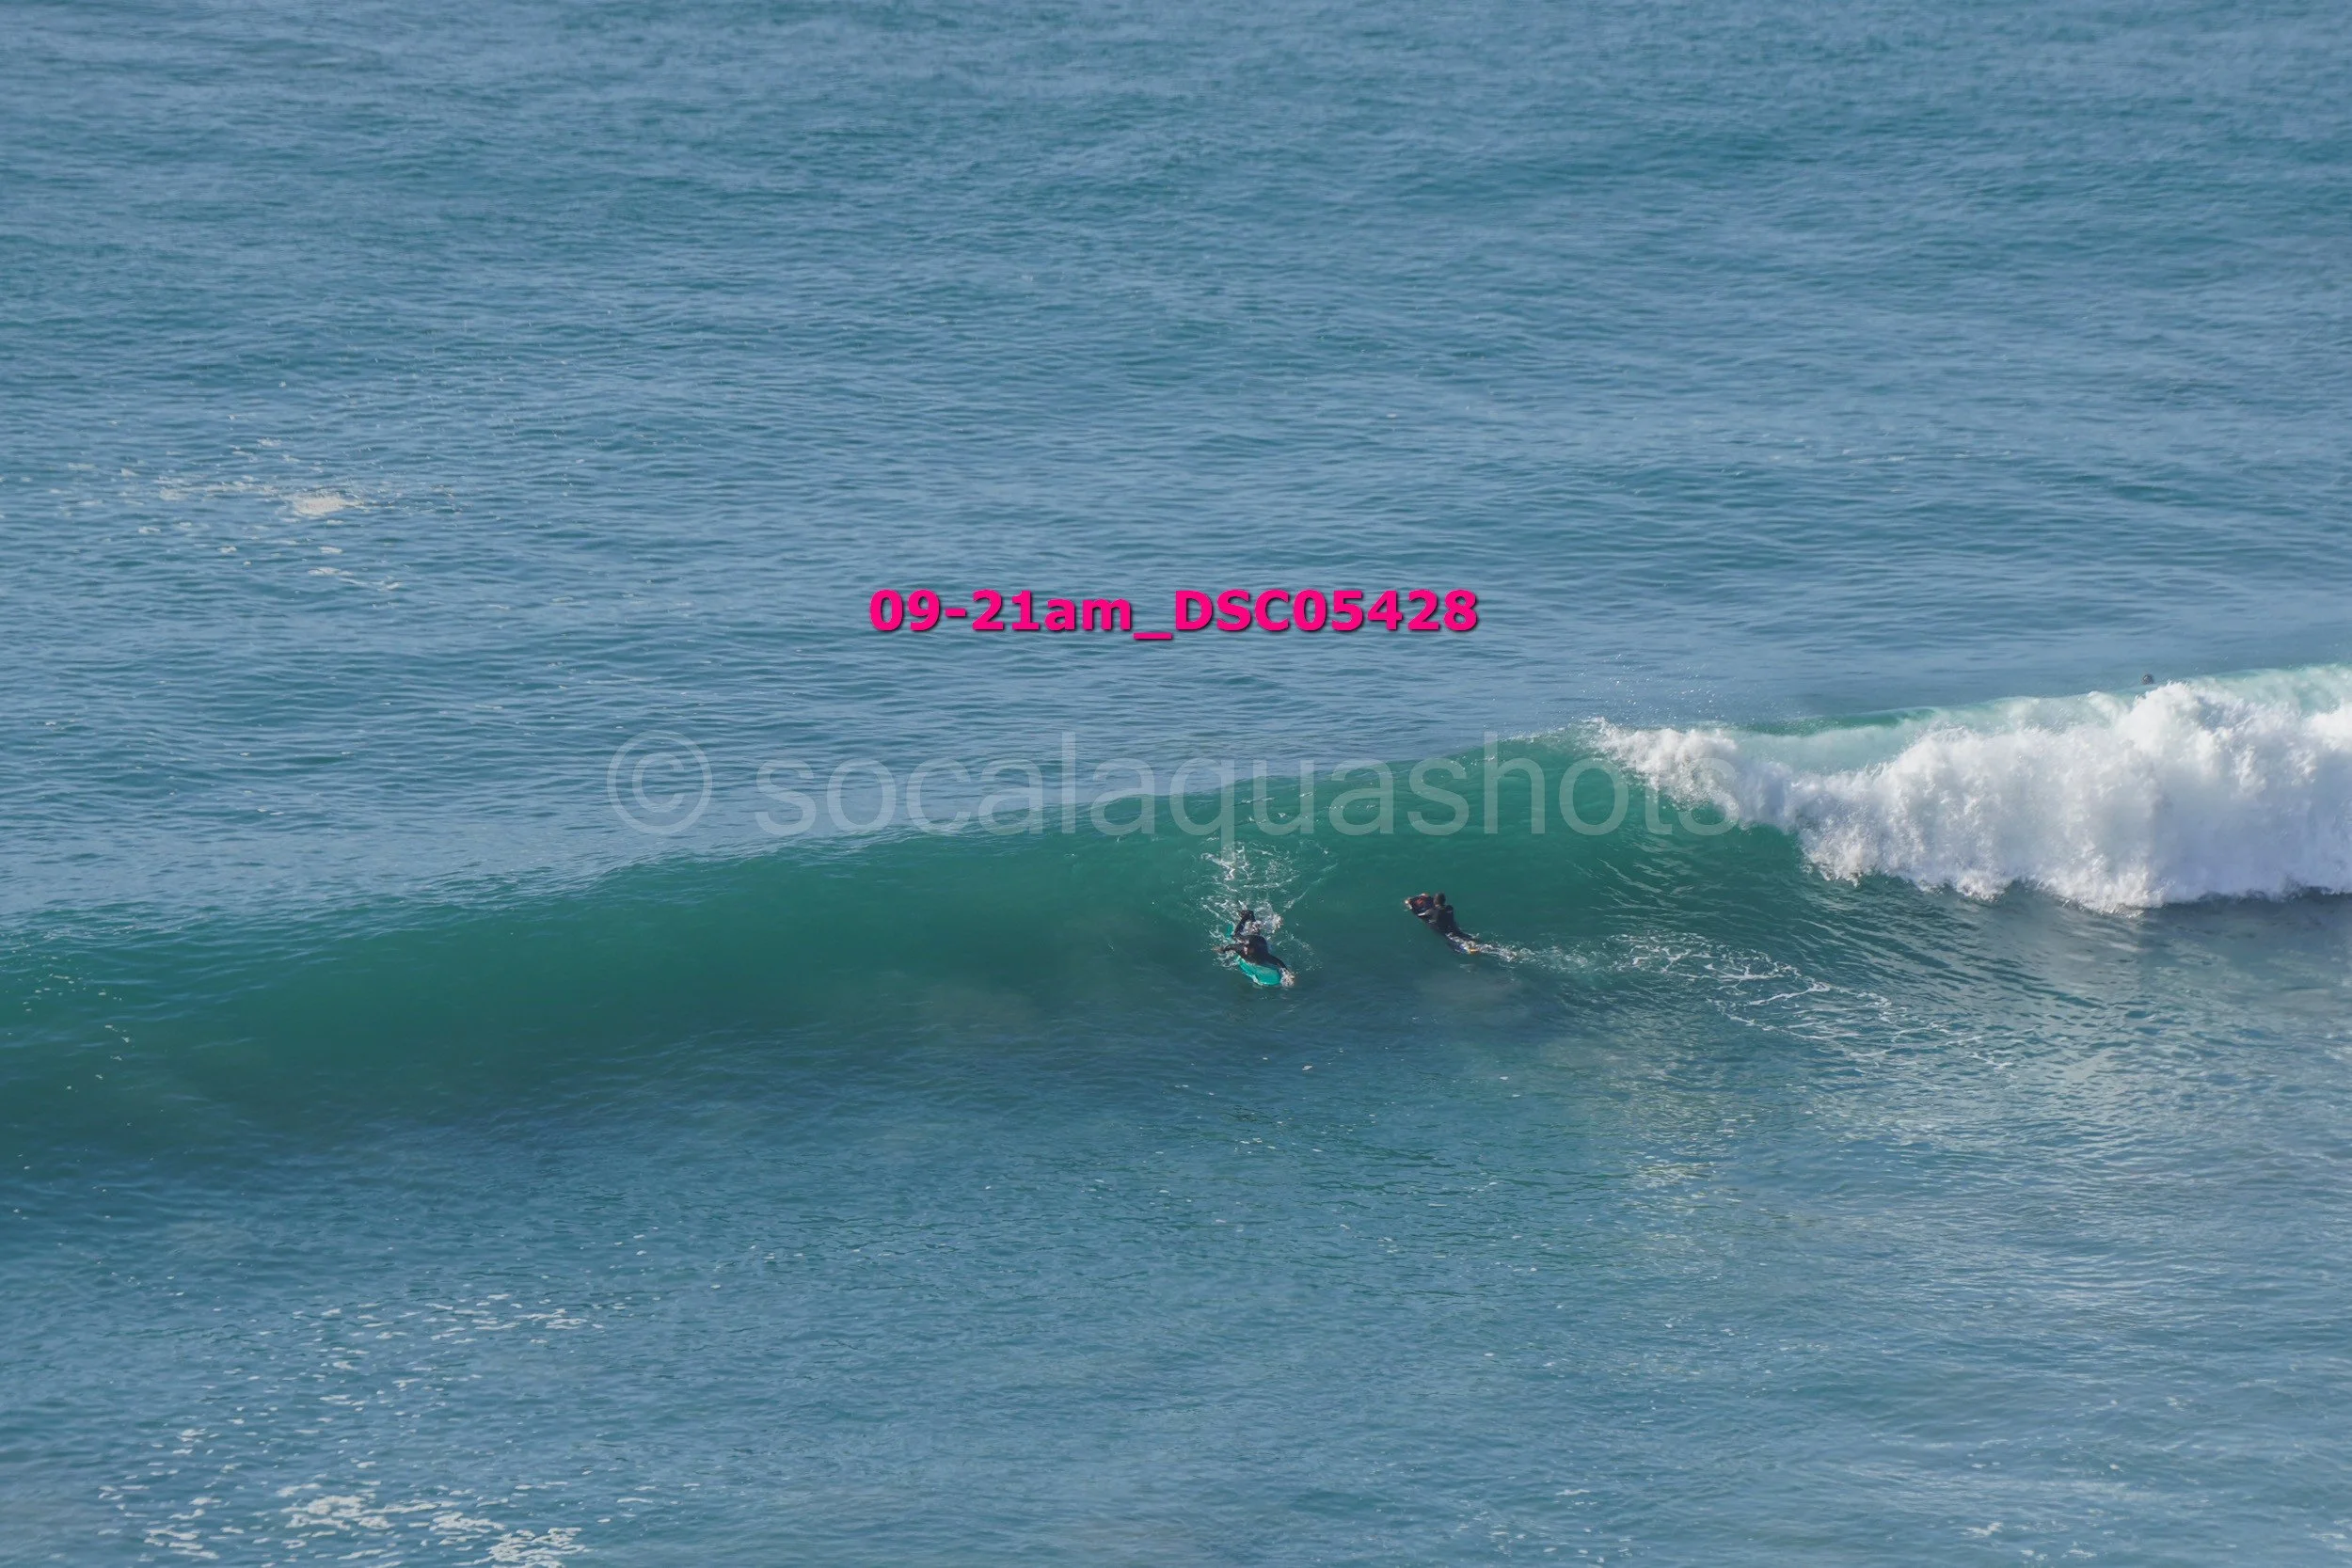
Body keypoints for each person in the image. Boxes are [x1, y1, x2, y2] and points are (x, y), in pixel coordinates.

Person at [1216, 907, 1287, 972]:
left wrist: (1287, 974)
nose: (1246, 950)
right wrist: (1222, 950)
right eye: (1246, 947)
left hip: (1260, 940)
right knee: (1236, 935)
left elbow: (1278, 962)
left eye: (1249, 948)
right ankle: (1247, 916)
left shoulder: (1262, 954)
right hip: (1248, 939)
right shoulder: (1241, 948)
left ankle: (1251, 916)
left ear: (1254, 948)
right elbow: (1230, 947)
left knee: (1256, 933)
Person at [1405, 892, 1477, 951]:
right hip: (1455, 928)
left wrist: (1409, 905)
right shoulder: (1450, 907)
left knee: (1455, 943)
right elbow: (1439, 903)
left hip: (1446, 932)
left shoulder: (1431, 912)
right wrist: (1429, 897)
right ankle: (1477, 943)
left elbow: (1418, 915)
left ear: (1435, 901)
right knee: (1466, 936)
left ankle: (1468, 949)